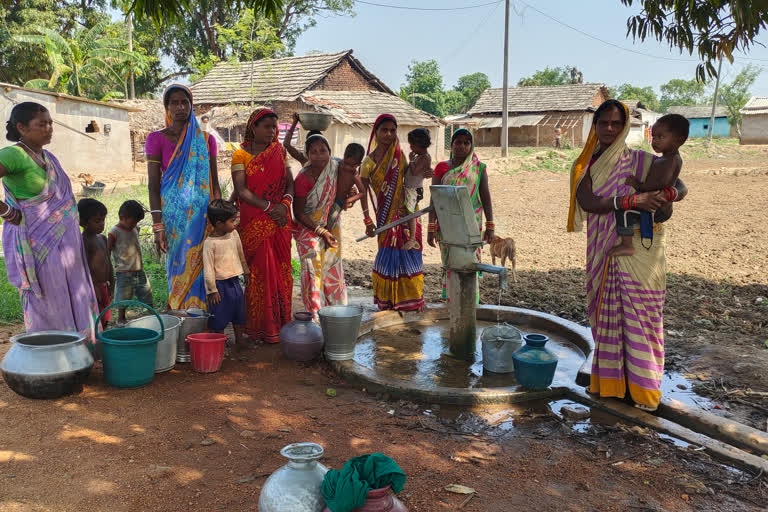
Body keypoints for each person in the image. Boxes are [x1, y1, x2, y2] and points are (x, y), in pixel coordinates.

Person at [568, 99, 688, 412]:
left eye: (616, 123)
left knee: (643, 317)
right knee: (608, 316)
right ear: (595, 126)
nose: (609, 128)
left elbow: (680, 186)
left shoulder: (640, 160)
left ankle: (643, 391)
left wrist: (664, 196)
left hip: (642, 250)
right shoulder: (585, 165)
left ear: (625, 127)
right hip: (606, 248)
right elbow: (589, 202)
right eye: (603, 123)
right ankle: (612, 386)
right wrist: (631, 200)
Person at [0, 102, 97, 335]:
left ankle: (79, 347)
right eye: (42, 124)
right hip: (37, 244)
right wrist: (6, 211)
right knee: (48, 294)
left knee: (73, 290)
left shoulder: (49, 157)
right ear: (21, 128)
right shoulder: (14, 154)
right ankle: (50, 351)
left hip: (66, 244)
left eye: (50, 123)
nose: (49, 128)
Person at [146, 84, 221, 311]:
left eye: (184, 102)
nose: (180, 107)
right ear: (167, 108)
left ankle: (202, 320)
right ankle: (179, 314)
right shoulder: (155, 139)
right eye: (174, 103)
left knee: (204, 265)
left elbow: (214, 183)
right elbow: (153, 185)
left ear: (191, 106)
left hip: (203, 216)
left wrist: (218, 217)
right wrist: (157, 225)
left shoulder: (207, 140)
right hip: (173, 217)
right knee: (178, 264)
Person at [231, 108, 294, 344]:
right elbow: (242, 191)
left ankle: (280, 323)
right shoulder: (241, 156)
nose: (272, 131)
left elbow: (290, 184)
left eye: (274, 126)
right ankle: (259, 327)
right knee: (259, 273)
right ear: (253, 128)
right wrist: (270, 207)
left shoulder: (280, 152)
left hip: (280, 221)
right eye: (266, 126)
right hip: (255, 221)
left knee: (280, 269)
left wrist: (285, 205)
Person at [360, 114, 424, 312]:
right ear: (376, 133)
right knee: (388, 255)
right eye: (384, 130)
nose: (388, 134)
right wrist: (367, 219)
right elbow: (363, 193)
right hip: (385, 216)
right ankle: (388, 302)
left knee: (409, 253)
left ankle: (411, 300)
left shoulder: (400, 156)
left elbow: (410, 181)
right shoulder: (368, 163)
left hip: (407, 214)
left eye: (392, 130)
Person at [427, 128, 494, 301]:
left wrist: (490, 226)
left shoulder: (479, 168)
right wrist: (430, 227)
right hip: (447, 225)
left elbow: (486, 198)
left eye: (466, 143)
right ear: (451, 145)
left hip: (471, 224)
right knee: (450, 263)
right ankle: (450, 299)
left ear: (471, 146)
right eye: (458, 142)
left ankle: (471, 300)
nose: (462, 146)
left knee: (470, 262)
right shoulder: (442, 168)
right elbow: (434, 199)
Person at [610, 113, 690, 257]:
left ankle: (627, 245)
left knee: (623, 211)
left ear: (679, 140)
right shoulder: (664, 159)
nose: (655, 141)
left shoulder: (671, 161)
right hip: (657, 204)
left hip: (657, 207)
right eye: (654, 137)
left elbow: (659, 186)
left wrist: (638, 185)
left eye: (661, 137)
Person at [293, 134, 349, 315]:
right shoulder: (302, 179)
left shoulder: (336, 167)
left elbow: (350, 183)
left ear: (330, 152)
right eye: (314, 152)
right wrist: (320, 230)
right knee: (313, 270)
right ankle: (316, 316)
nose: (319, 155)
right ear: (308, 155)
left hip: (331, 223)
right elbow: (299, 213)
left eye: (323, 151)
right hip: (308, 228)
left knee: (333, 266)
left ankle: (336, 313)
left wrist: (349, 196)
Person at [203, 199, 248, 350]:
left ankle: (240, 340)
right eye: (232, 221)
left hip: (235, 282)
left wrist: (246, 271)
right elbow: (208, 268)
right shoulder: (210, 243)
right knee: (220, 316)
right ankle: (219, 343)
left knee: (238, 312)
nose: (235, 224)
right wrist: (212, 290)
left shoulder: (234, 234)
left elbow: (241, 254)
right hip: (220, 286)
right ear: (219, 224)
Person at [108, 200, 153, 324]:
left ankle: (152, 314)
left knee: (146, 293)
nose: (135, 224)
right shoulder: (114, 232)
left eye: (136, 222)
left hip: (139, 270)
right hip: (124, 272)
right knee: (123, 297)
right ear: (122, 218)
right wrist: (108, 268)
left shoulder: (134, 229)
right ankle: (121, 317)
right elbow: (108, 250)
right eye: (133, 222)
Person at [78, 198, 113, 328]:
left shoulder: (103, 239)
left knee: (106, 315)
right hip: (92, 287)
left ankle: (104, 339)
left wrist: (112, 282)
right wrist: (95, 287)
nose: (102, 224)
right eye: (97, 221)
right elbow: (84, 267)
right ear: (83, 222)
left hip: (104, 285)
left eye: (103, 220)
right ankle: (96, 342)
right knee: (96, 318)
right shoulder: (84, 241)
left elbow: (108, 263)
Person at [325, 143, 369, 231]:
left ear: (359, 164)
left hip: (338, 202)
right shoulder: (335, 163)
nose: (347, 168)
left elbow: (363, 192)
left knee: (329, 225)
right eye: (346, 163)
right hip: (326, 199)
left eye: (352, 166)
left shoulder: (355, 175)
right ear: (344, 156)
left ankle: (326, 239)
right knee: (320, 221)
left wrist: (348, 200)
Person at [403, 128, 432, 251]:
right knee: (408, 210)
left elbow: (414, 172)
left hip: (414, 189)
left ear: (418, 144)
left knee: (411, 212)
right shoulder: (419, 156)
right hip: (410, 188)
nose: (410, 147)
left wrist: (410, 160)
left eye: (411, 145)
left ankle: (412, 238)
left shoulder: (424, 157)